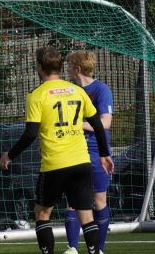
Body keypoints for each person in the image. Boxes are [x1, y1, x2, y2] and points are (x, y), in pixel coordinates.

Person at [0, 46, 113, 254]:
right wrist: (105, 154)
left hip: (54, 164)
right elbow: (98, 124)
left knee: (42, 214)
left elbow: (31, 133)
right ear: (60, 67)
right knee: (86, 215)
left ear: (39, 68)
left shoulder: (36, 95)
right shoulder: (77, 90)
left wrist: (9, 155)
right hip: (81, 161)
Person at [63, 51, 114, 254]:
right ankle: (72, 248)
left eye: (69, 65)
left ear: (77, 68)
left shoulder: (101, 89)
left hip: (95, 152)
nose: (67, 69)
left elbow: (105, 122)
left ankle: (98, 250)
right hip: (73, 151)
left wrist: (77, 124)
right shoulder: (68, 90)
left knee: (99, 200)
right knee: (72, 202)